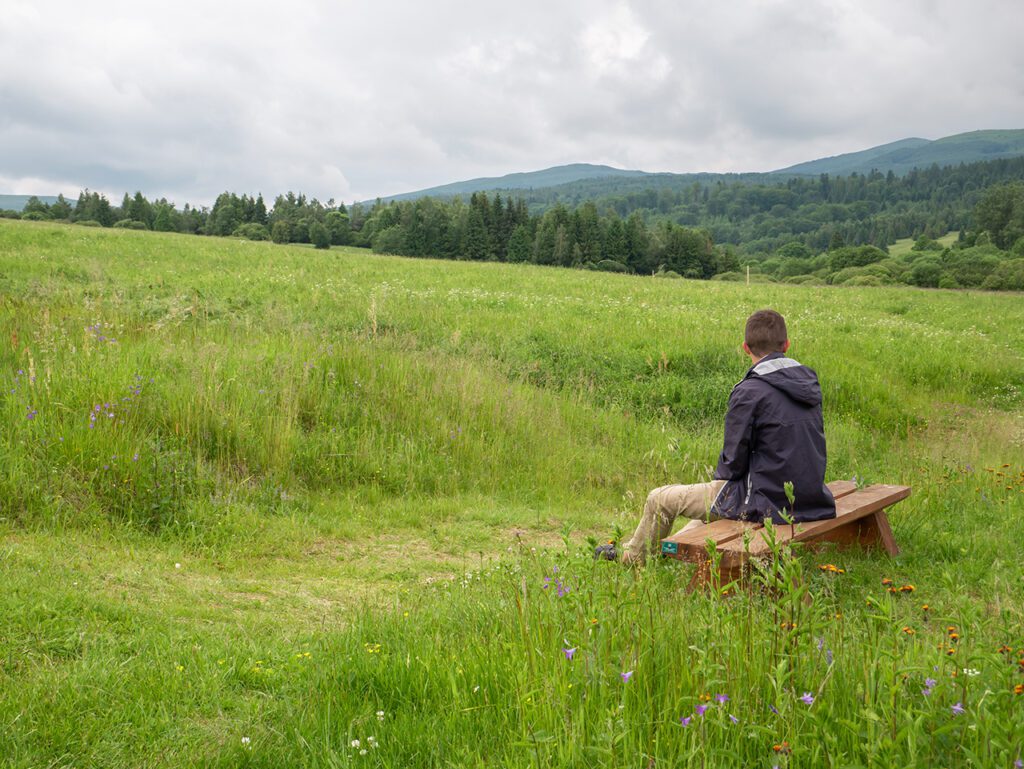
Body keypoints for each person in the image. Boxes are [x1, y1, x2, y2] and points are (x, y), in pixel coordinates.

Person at [596, 309, 835, 565]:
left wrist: (721, 487)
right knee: (708, 512)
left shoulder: (750, 391)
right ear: (787, 344)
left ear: (745, 348)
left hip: (765, 502)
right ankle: (667, 553)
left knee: (660, 499)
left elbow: (733, 462)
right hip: (810, 498)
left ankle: (632, 558)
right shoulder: (808, 382)